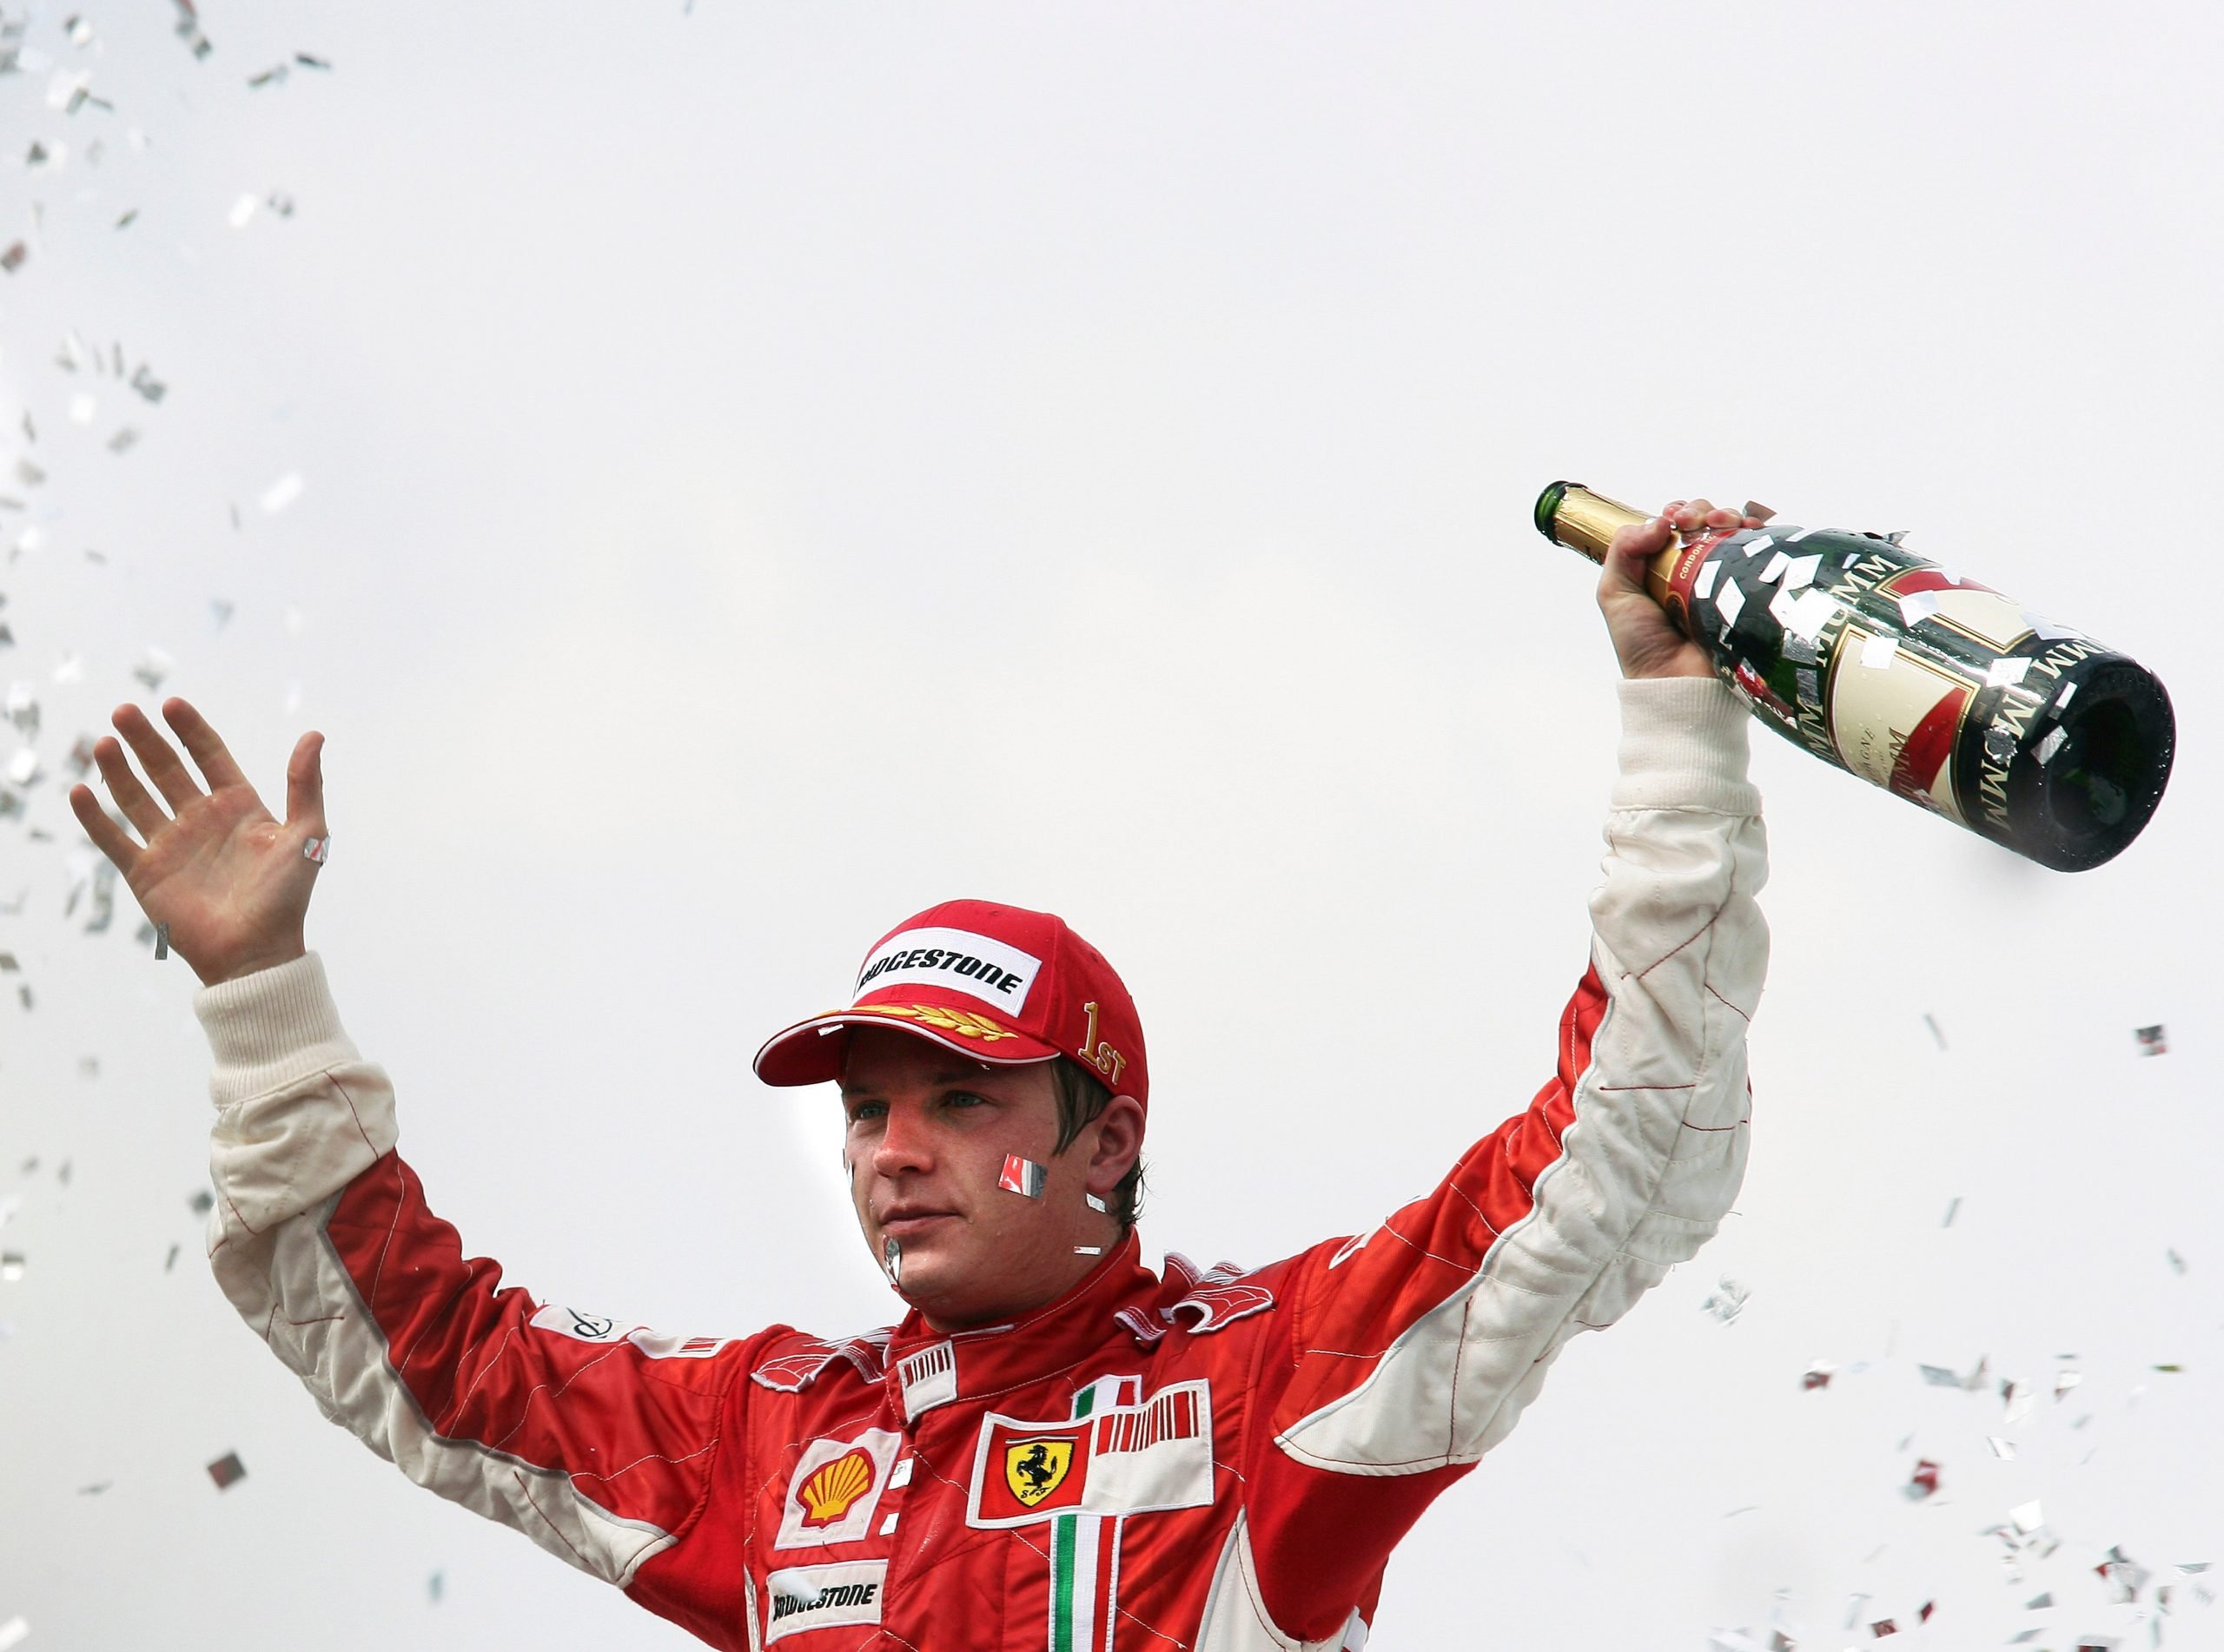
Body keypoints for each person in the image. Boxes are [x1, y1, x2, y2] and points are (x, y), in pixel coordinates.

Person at [70, 499, 1772, 1651]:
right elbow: (434, 1364)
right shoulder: (765, 1429)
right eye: (866, 1107)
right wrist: (261, 994)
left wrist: (1673, 728)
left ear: (1101, 1141)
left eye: (962, 1103)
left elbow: (1615, 1153)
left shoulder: (1275, 1380)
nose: (894, 1150)